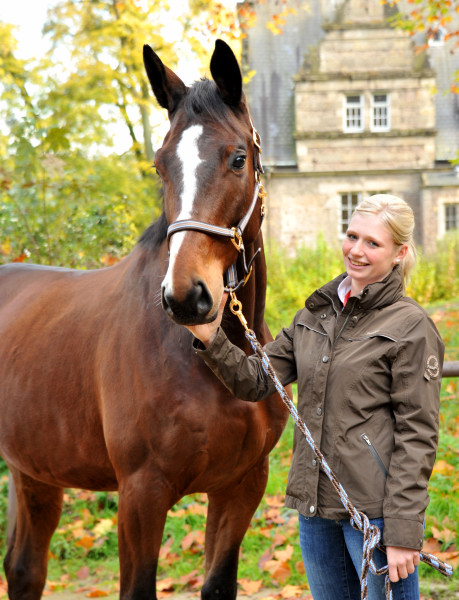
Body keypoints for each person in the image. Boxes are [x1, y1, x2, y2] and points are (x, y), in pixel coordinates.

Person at [185, 194, 444, 600]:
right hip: (316, 510)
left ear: (399, 253)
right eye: (352, 236)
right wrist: (211, 338)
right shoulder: (316, 314)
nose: (356, 251)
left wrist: (403, 531)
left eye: (373, 243)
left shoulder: (411, 326)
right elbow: (255, 380)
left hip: (374, 515)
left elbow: (418, 436)